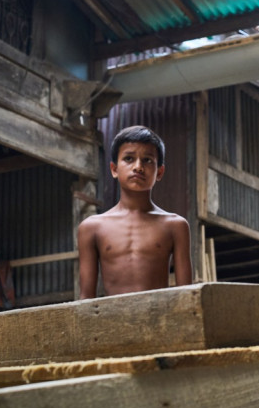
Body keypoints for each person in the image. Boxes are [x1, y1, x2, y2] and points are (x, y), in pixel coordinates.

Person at [78, 125, 192, 299]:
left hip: (161, 321)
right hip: (112, 322)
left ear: (159, 172)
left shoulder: (175, 226)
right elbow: (86, 298)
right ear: (114, 169)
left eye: (147, 160)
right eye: (129, 158)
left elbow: (186, 295)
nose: (138, 167)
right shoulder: (92, 228)